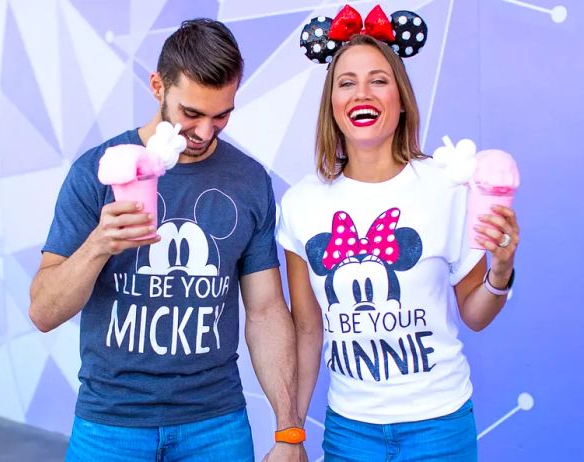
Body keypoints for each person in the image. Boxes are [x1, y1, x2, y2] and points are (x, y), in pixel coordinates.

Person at [29, 18, 305, 462]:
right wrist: (99, 242)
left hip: (216, 423)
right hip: (109, 424)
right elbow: (43, 311)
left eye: (222, 115)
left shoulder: (249, 180)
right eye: (191, 113)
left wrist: (289, 430)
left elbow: (267, 310)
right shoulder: (96, 170)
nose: (203, 132)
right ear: (157, 86)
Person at [277, 34, 519, 461]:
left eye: (378, 80)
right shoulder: (301, 204)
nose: (362, 93)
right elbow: (306, 331)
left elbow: (476, 315)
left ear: (402, 98)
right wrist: (290, 434)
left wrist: (500, 270)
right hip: (350, 432)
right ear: (331, 103)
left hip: (440, 427)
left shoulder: (447, 187)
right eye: (346, 83)